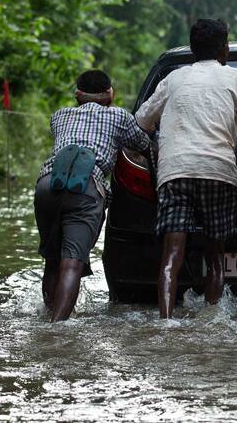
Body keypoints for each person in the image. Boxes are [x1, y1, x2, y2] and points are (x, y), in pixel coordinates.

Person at [136, 18, 237, 318]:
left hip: (174, 172)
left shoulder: (172, 79)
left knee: (171, 255)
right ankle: (211, 319)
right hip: (218, 172)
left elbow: (142, 122)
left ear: (193, 49)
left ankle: (166, 321)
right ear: (224, 49)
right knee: (216, 256)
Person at [34, 69, 151, 322]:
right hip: (85, 188)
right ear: (110, 93)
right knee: (72, 262)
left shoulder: (59, 116)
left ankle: (48, 319)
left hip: (46, 185)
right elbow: (144, 145)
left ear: (77, 95)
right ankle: (57, 330)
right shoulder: (119, 116)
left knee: (52, 260)